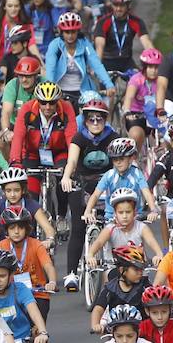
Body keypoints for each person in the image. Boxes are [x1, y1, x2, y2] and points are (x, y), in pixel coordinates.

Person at [0, 207, 58, 343]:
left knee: (39, 333)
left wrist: (52, 281)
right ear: (6, 230)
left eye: (20, 227)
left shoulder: (36, 245)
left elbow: (48, 265)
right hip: (11, 293)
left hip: (38, 294)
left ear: (27, 229)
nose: (16, 231)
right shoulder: (1, 247)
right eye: (12, 227)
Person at [60, 97, 118, 291]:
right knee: (78, 225)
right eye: (91, 119)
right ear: (84, 120)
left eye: (99, 119)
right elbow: (72, 161)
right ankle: (71, 273)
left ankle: (116, 266)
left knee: (113, 224)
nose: (95, 123)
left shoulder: (112, 137)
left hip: (106, 185)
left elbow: (121, 161)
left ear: (105, 120)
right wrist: (67, 177)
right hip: (82, 183)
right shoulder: (79, 138)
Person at [0, 167, 57, 256]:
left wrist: (50, 239)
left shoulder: (32, 205)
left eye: (16, 190)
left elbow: (48, 228)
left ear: (23, 190)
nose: (12, 195)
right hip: (5, 252)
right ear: (3, 191)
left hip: (29, 250)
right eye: (8, 191)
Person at [10, 81, 78, 194]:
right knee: (31, 192)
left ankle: (61, 211)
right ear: (37, 100)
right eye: (43, 102)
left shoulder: (66, 108)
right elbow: (18, 136)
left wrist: (72, 164)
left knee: (63, 186)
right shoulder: (27, 109)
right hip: (32, 153)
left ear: (57, 101)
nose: (47, 107)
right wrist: (15, 163)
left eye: (52, 103)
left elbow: (72, 139)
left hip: (59, 153)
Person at [44, 11, 113, 107]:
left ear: (78, 31)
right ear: (61, 32)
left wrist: (109, 84)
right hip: (59, 92)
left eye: (73, 31)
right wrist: (50, 88)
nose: (70, 35)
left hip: (83, 91)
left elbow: (96, 64)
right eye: (67, 32)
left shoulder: (85, 44)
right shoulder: (55, 45)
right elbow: (50, 67)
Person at [84, 136, 158, 223]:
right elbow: (95, 195)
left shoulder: (137, 174)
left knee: (145, 235)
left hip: (134, 217)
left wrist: (153, 210)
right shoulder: (109, 175)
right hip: (111, 217)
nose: (118, 162)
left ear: (131, 158)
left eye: (122, 159)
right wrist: (87, 211)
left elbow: (146, 192)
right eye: (115, 160)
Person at [86, 188, 164, 269]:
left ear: (134, 212)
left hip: (137, 270)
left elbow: (151, 241)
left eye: (128, 212)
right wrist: (91, 254)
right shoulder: (111, 229)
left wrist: (159, 254)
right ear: (115, 213)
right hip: (115, 270)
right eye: (120, 212)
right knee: (109, 277)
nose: (124, 216)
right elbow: (99, 242)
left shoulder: (141, 227)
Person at [89, 244, 151, 332]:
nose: (140, 273)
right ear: (122, 270)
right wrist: (95, 325)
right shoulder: (111, 288)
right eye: (136, 270)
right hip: (117, 332)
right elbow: (98, 309)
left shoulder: (144, 285)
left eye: (142, 269)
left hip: (141, 331)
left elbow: (154, 304)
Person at [93, 0, 155, 76]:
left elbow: (147, 43)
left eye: (122, 5)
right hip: (107, 61)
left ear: (128, 5)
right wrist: (97, 67)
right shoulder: (103, 22)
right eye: (115, 5)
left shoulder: (136, 21)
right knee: (106, 88)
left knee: (139, 83)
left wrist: (153, 62)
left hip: (126, 61)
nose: (118, 9)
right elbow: (99, 47)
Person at [122, 47, 163, 152]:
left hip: (155, 115)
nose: (153, 71)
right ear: (144, 67)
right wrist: (127, 111)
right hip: (136, 115)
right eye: (150, 67)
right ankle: (134, 158)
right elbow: (129, 97)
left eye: (156, 67)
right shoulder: (136, 79)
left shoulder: (162, 80)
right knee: (136, 135)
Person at [0, 55, 41, 147]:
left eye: (28, 76)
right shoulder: (12, 85)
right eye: (21, 76)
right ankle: (8, 162)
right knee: (0, 141)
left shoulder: (44, 85)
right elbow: (6, 112)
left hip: (38, 126)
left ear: (36, 75)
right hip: (15, 125)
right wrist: (6, 131)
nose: (24, 79)